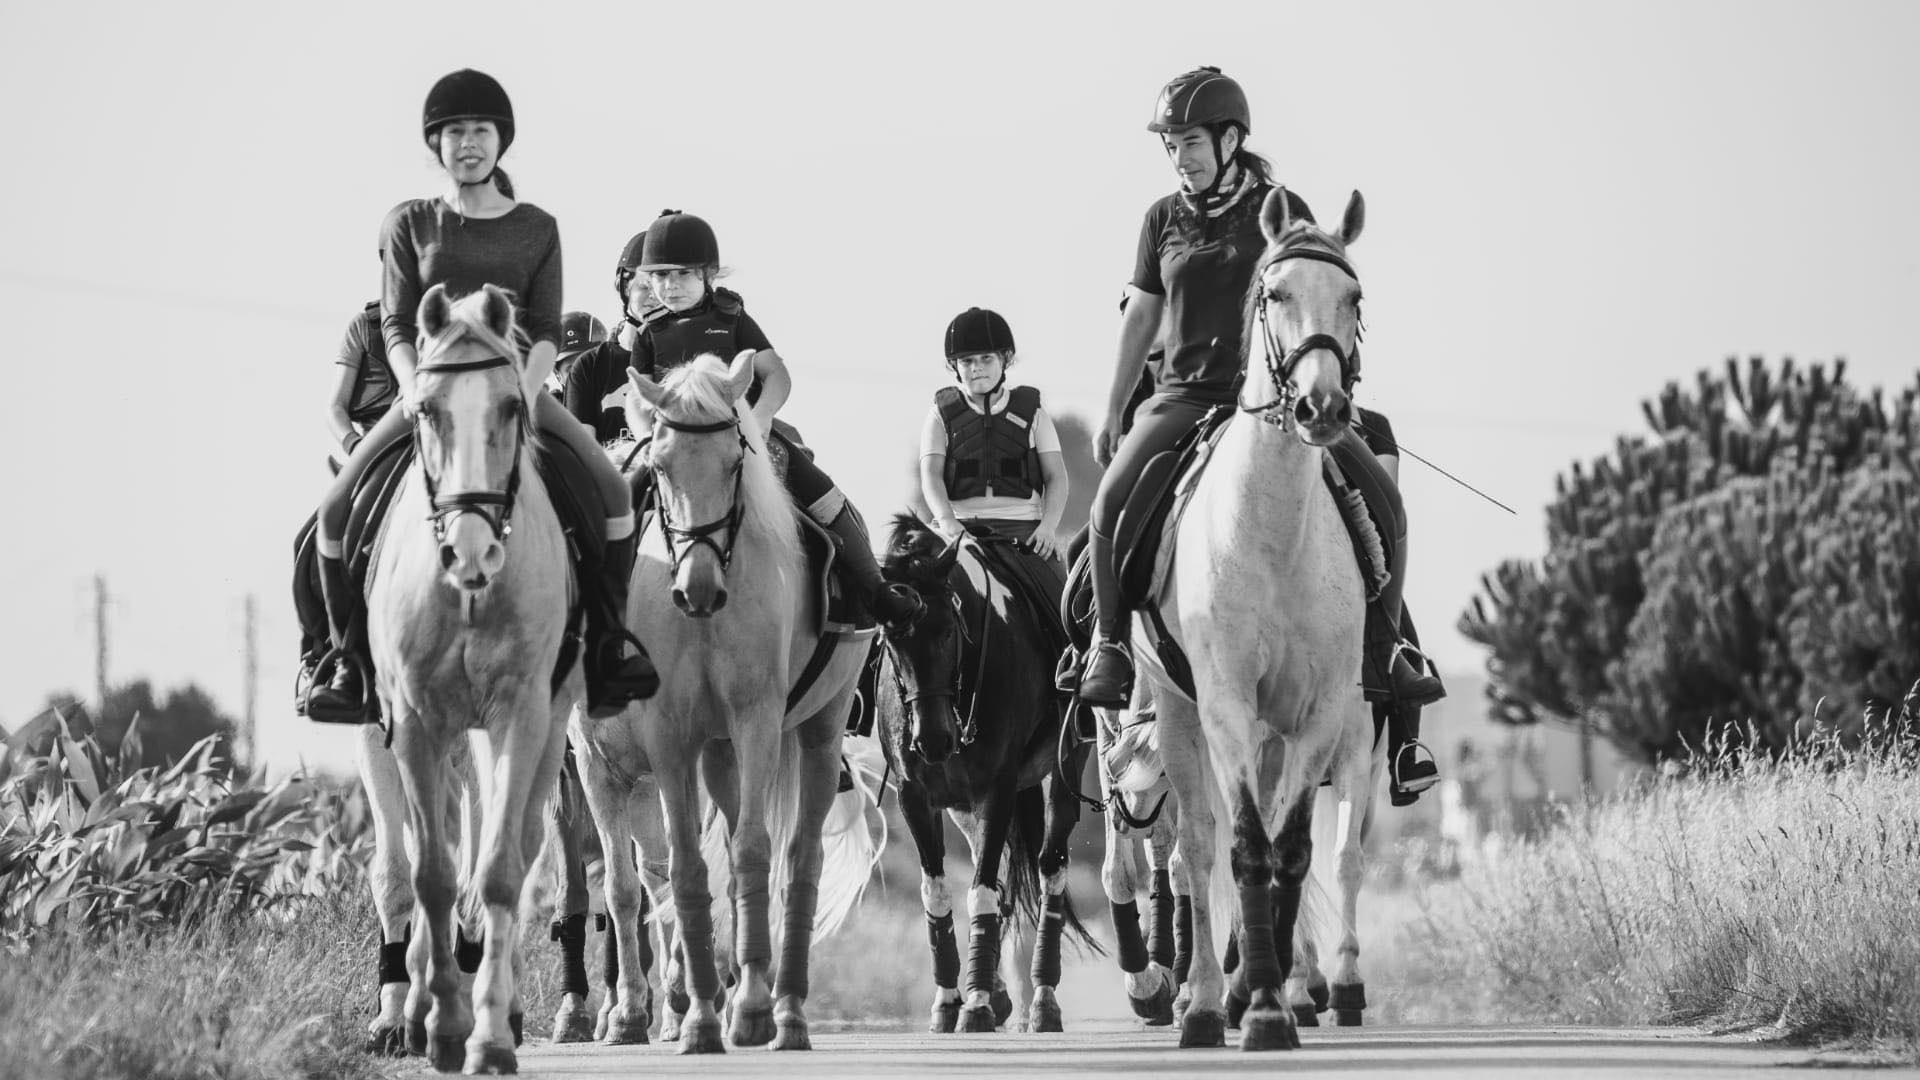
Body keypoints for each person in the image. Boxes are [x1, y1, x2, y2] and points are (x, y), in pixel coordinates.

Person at [1072, 66, 1443, 797]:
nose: (1180, 157)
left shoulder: (1280, 210)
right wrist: (1115, 408)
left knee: (1387, 507)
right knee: (1108, 504)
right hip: (1183, 398)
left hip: (1276, 406)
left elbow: (1313, 298)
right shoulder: (1160, 220)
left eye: (1191, 142)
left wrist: (1322, 377)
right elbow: (1143, 315)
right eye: (1172, 145)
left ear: (1230, 139)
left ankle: (1388, 648)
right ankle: (1110, 647)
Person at [298, 68, 658, 724]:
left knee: (612, 491)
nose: (468, 143)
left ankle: (609, 645)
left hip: (517, 388)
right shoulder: (410, 224)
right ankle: (344, 659)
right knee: (332, 511)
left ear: (501, 140)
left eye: (481, 131)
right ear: (435, 143)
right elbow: (397, 324)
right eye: (455, 132)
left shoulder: (537, 228)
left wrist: (521, 389)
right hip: (431, 394)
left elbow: (544, 329)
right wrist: (416, 386)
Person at [622, 209, 923, 627]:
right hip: (677, 446)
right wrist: (649, 436)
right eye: (659, 276)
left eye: (682, 274)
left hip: (745, 437)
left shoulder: (732, 318)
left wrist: (761, 417)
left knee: (822, 494)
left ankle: (876, 589)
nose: (669, 286)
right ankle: (598, 603)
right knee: (619, 502)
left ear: (708, 273)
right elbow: (637, 399)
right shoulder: (648, 333)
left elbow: (776, 375)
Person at [918, 307, 1070, 561]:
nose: (976, 368)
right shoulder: (939, 415)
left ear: (1005, 358)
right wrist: (947, 520)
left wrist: (1048, 527)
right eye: (967, 361)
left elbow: (1056, 477)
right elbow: (931, 475)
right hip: (958, 526)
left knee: (1059, 583)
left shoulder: (1034, 413)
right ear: (954, 366)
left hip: (1022, 529)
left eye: (986, 358)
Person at [562, 232, 662, 443]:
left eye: (662, 287)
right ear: (624, 287)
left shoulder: (687, 359)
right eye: (645, 286)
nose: (655, 297)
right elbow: (583, 452)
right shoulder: (589, 366)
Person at [324, 299, 394, 467]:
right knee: (343, 486)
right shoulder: (364, 325)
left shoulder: (448, 322)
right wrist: (355, 446)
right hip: (377, 449)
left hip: (436, 439)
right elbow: (335, 408)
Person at [551, 310, 608, 399]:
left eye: (590, 365)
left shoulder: (628, 400)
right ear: (558, 376)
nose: (583, 375)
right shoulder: (546, 408)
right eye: (573, 370)